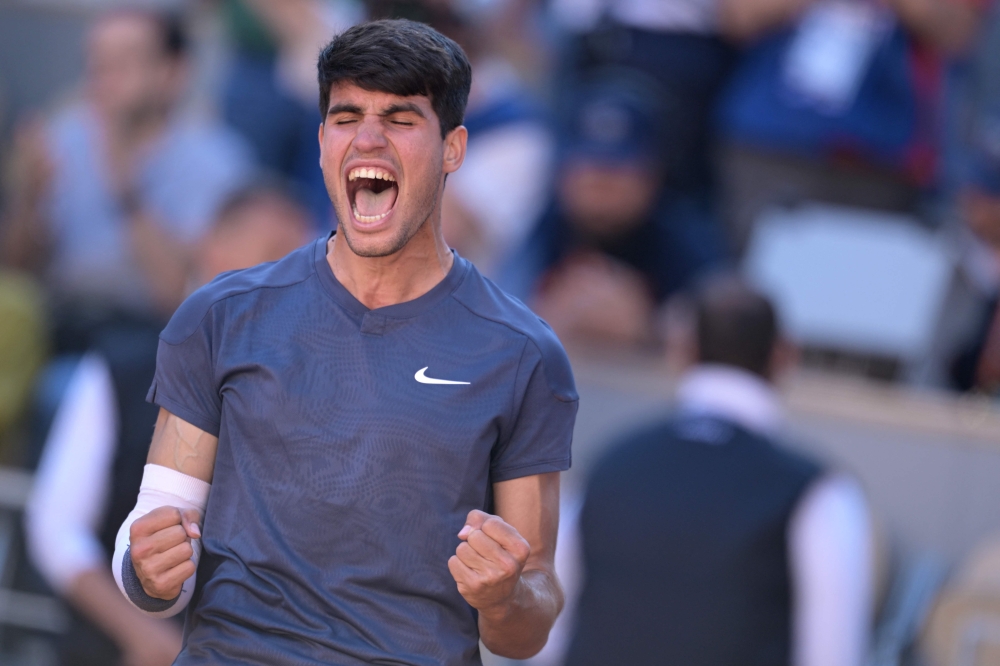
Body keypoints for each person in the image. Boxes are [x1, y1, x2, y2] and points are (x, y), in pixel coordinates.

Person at [110, 19, 578, 665]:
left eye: (401, 119)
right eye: (346, 115)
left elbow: (530, 615)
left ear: (453, 149)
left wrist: (502, 599)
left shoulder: (524, 354)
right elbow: (153, 534)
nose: (367, 139)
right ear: (323, 139)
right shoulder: (219, 316)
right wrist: (149, 575)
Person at [24, 183, 312, 666]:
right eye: (272, 255)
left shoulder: (313, 390)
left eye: (301, 266)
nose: (289, 280)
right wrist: (142, 635)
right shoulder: (122, 363)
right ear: (212, 245)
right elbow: (56, 529)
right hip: (110, 649)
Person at [564, 276, 874, 665]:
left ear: (683, 349)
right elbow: (833, 656)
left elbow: (546, 637)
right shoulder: (817, 492)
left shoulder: (607, 465)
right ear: (784, 355)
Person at [1, 8, 253, 326]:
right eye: (97, 61)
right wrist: (28, 200)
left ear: (173, 72)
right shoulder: (62, 138)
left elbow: (182, 295)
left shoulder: (215, 160)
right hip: (61, 320)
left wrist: (127, 191)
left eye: (124, 61)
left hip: (154, 335)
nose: (104, 75)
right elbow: (14, 275)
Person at [506, 75, 727, 347]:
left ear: (652, 176)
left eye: (617, 171)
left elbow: (720, 334)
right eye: (589, 169)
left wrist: (649, 327)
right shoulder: (531, 228)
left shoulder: (685, 242)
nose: (600, 186)